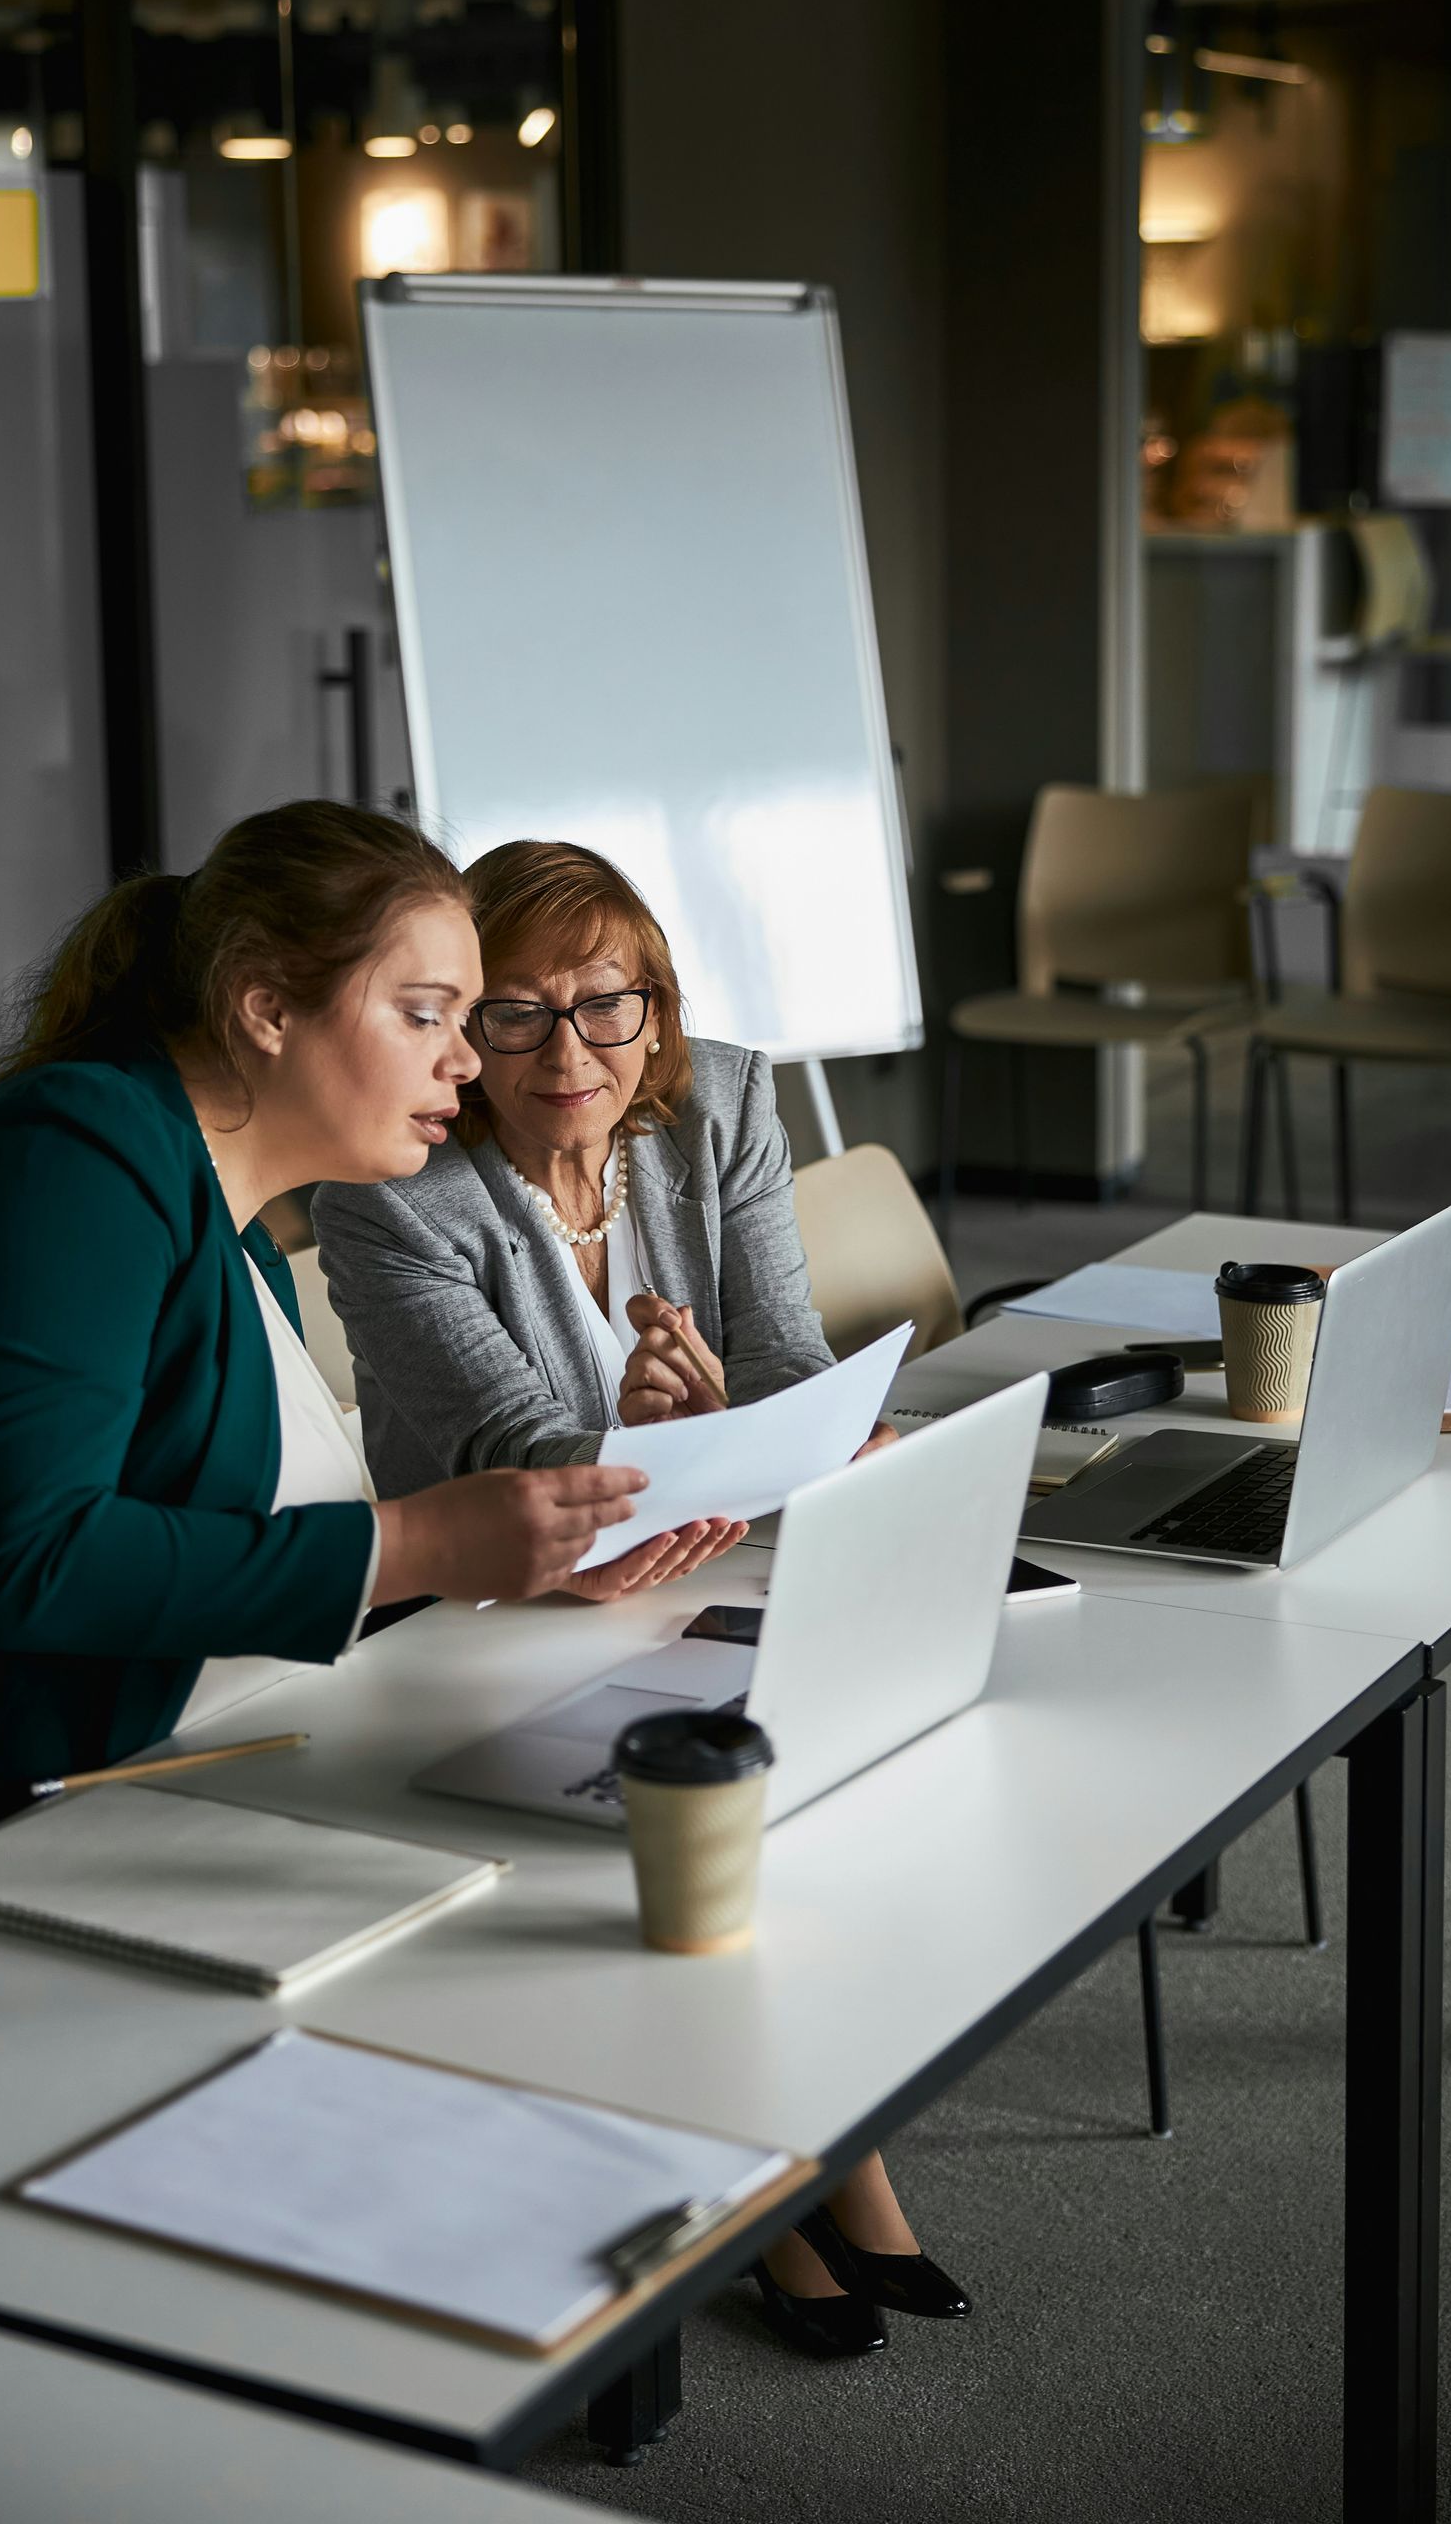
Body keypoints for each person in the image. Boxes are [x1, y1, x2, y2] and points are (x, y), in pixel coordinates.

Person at [0, 803, 695, 1954]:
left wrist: (511, 1558)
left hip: (105, 1787)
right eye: (426, 1013)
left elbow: (221, 1561)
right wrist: (424, 1546)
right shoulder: (72, 1148)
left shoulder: (235, 1229)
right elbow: (35, 1560)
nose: (468, 1059)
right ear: (268, 1005)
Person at [313, 836, 971, 2359]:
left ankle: (806, 2155)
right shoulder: (394, 1191)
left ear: (658, 1018)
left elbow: (792, 1356)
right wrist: (662, 1446)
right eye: (517, 1014)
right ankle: (797, 2174)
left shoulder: (723, 1103)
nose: (570, 1051)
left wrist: (749, 1417)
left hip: (699, 1561)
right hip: (487, 1612)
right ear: (461, 1029)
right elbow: (504, 1449)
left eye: (606, 1006)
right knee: (722, 1779)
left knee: (820, 1739)